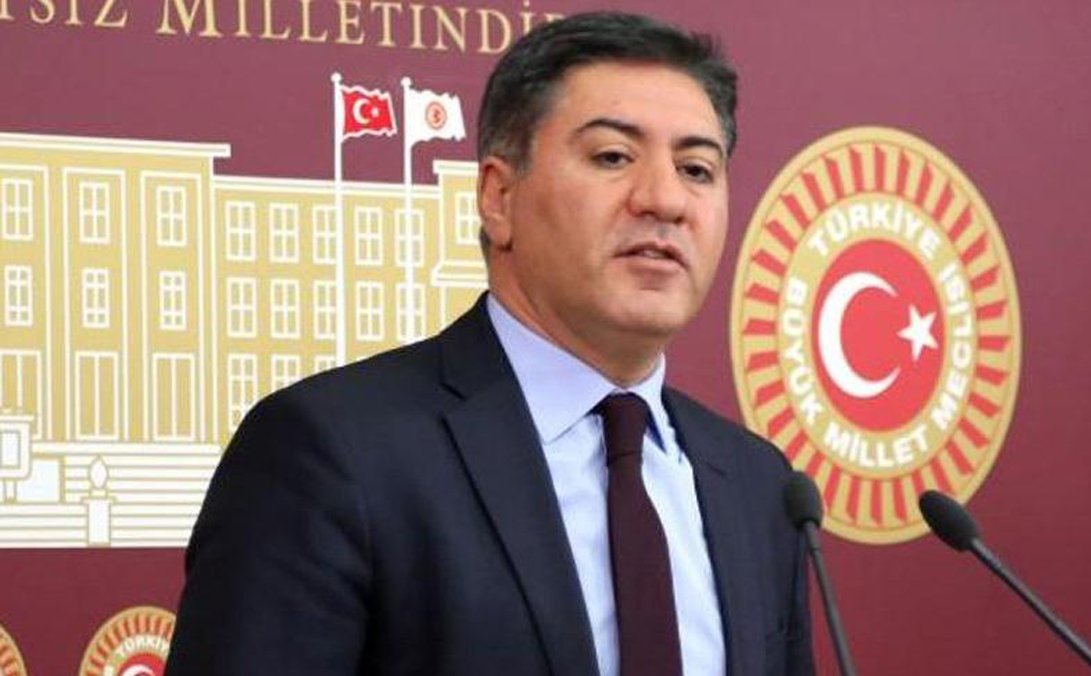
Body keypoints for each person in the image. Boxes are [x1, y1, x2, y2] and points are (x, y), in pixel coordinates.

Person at [166, 11, 814, 676]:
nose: (665, 199)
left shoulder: (760, 488)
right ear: (498, 198)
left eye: (697, 169)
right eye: (613, 157)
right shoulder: (332, 454)